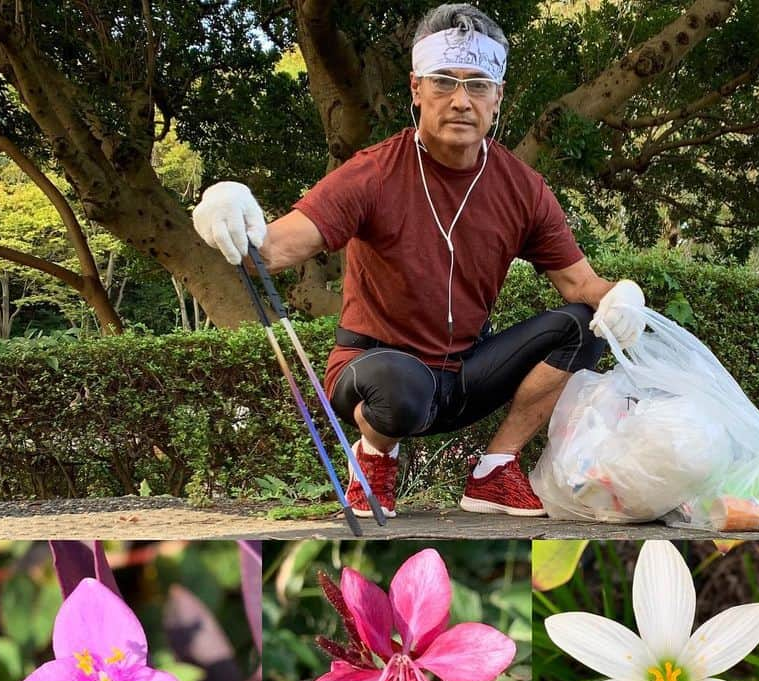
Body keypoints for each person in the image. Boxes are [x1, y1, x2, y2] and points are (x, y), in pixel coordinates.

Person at [192, 3, 646, 517]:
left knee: (586, 326)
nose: (460, 100)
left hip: (465, 372)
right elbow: (270, 252)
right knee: (399, 388)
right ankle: (375, 458)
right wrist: (232, 212)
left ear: (497, 97)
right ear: (415, 89)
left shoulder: (522, 187)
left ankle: (493, 471)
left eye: (477, 84)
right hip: (375, 369)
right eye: (443, 82)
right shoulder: (372, 173)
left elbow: (578, 283)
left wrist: (620, 295)